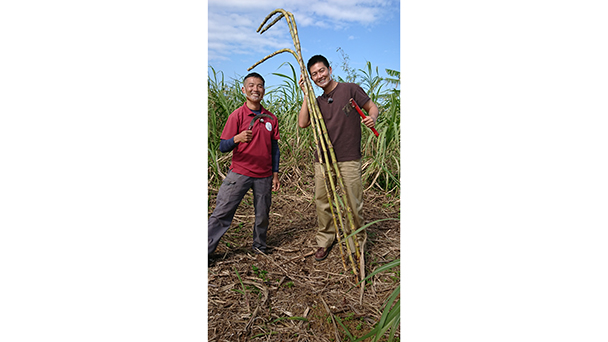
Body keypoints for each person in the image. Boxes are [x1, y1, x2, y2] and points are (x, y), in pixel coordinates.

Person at [298, 55, 379, 261]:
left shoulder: (350, 89)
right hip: (323, 159)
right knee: (322, 201)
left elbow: (372, 106)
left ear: (330, 69)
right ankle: (325, 239)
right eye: (314, 74)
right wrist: (306, 95)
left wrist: (372, 118)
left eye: (322, 71)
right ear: (311, 78)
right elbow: (302, 123)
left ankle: (356, 243)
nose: (319, 76)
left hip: (348, 157)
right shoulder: (316, 101)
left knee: (353, 202)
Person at [208, 72, 280, 256]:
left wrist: (275, 173)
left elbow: (274, 148)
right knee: (222, 213)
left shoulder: (270, 118)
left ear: (264, 90)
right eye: (251, 85)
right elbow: (223, 146)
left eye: (260, 86)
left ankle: (259, 247)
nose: (255, 89)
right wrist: (237, 138)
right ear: (244, 89)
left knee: (262, 215)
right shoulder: (237, 116)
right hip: (240, 172)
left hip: (263, 175)